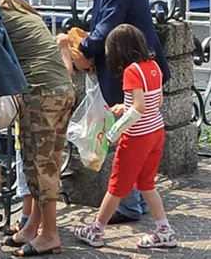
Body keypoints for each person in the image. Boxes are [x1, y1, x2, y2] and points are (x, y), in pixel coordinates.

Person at [57, 0, 169, 224]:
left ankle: (128, 206)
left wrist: (78, 48)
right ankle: (138, 200)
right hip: (138, 74)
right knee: (137, 148)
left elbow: (105, 31)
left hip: (128, 77)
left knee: (125, 144)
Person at [0, 0, 76, 257]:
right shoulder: (22, 8)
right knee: (50, 162)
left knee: (38, 165)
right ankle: (33, 227)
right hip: (63, 89)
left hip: (41, 95)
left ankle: (50, 235)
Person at [72, 25, 178, 251]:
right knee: (146, 184)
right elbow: (154, 102)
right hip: (156, 132)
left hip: (137, 137)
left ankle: (96, 230)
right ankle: (164, 230)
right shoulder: (153, 67)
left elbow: (138, 107)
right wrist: (125, 106)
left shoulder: (131, 71)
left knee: (117, 186)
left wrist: (115, 131)